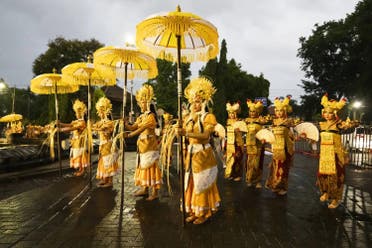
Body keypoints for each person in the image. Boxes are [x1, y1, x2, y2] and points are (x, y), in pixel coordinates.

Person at [176, 77, 221, 225]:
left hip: (203, 155)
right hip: (190, 155)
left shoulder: (209, 117)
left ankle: (203, 212)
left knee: (201, 183)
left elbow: (205, 136)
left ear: (204, 102)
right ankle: (194, 211)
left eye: (199, 101)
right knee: (191, 183)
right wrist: (178, 130)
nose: (196, 104)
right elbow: (182, 134)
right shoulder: (188, 117)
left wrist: (186, 133)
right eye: (194, 101)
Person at [315, 94, 358, 208]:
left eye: (330, 113)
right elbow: (315, 136)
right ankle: (325, 192)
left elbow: (349, 127)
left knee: (336, 176)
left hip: (335, 155)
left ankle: (336, 199)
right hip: (324, 155)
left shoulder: (338, 124)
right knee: (323, 175)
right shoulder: (322, 124)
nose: (327, 115)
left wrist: (351, 124)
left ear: (334, 113)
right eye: (325, 112)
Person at [124, 84, 162, 201]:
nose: (140, 104)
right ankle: (144, 189)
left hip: (150, 146)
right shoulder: (141, 116)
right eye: (139, 101)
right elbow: (134, 127)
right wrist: (125, 123)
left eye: (142, 101)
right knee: (142, 167)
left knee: (151, 167)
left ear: (148, 102)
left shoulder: (151, 116)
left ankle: (154, 192)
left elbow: (141, 129)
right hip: (142, 147)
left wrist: (130, 135)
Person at [265, 96, 294, 195]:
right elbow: (272, 134)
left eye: (281, 111)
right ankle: (275, 185)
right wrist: (267, 138)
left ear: (285, 111)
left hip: (285, 149)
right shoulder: (274, 122)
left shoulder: (288, 122)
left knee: (283, 169)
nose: (278, 113)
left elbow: (292, 134)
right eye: (277, 111)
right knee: (275, 168)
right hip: (276, 148)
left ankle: (283, 187)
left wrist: (293, 138)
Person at [92, 97, 119, 188]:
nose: (100, 112)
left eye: (102, 110)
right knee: (103, 162)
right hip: (102, 144)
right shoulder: (100, 122)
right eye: (99, 110)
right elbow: (95, 126)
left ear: (106, 111)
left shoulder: (109, 122)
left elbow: (105, 130)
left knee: (109, 162)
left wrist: (95, 128)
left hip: (108, 144)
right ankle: (105, 179)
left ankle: (110, 181)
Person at [59, 99, 88, 176]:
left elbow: (73, 128)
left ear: (81, 114)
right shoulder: (76, 121)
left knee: (80, 156)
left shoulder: (82, 122)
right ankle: (80, 169)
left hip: (80, 142)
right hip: (75, 142)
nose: (76, 114)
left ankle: (82, 170)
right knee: (76, 155)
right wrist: (60, 124)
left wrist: (62, 129)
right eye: (75, 113)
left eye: (77, 113)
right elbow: (69, 125)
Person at [245, 99, 268, 188]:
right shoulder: (246, 121)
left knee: (258, 164)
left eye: (254, 111)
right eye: (250, 111)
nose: (252, 113)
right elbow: (245, 132)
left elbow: (262, 133)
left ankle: (258, 181)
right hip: (249, 145)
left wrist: (263, 139)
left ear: (257, 112)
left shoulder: (260, 121)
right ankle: (249, 179)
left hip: (258, 146)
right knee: (249, 163)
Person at [224, 102, 244, 181]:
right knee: (229, 159)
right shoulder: (227, 122)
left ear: (235, 113)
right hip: (229, 143)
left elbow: (243, 131)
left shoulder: (239, 121)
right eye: (230, 113)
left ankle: (238, 175)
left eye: (233, 113)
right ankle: (230, 173)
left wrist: (239, 130)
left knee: (237, 159)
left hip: (237, 143)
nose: (231, 115)